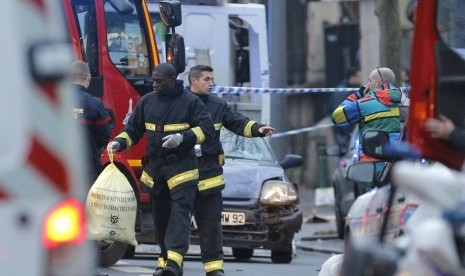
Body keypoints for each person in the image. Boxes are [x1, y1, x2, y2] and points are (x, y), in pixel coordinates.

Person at [107, 63, 215, 276]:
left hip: (183, 168)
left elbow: (206, 130)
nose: (153, 84)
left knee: (180, 214)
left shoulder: (190, 102)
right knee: (161, 218)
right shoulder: (147, 102)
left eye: (159, 80)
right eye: (153, 79)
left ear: (173, 79)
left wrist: (183, 138)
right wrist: (119, 142)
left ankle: (173, 263)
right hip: (156, 169)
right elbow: (133, 130)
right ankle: (167, 261)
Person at [185, 65, 274, 276]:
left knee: (211, 225)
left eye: (212, 79)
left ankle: (214, 269)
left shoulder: (217, 104)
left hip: (209, 173)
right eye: (207, 79)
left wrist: (257, 128)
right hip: (182, 172)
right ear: (193, 81)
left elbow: (237, 121)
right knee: (177, 223)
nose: (211, 83)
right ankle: (171, 264)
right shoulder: (181, 103)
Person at [331, 67, 402, 171]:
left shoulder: (364, 104)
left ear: (378, 83)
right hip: (398, 164)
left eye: (370, 81)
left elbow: (336, 117)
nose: (367, 85)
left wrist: (358, 94)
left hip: (372, 167)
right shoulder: (406, 102)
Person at [68, 60, 114, 185]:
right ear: (88, 78)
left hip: (61, 167)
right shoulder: (94, 104)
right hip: (87, 166)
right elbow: (104, 136)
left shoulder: (54, 100)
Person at [328, 67, 362, 151]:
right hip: (346, 135)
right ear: (352, 77)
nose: (361, 78)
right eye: (359, 76)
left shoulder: (350, 90)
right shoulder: (344, 91)